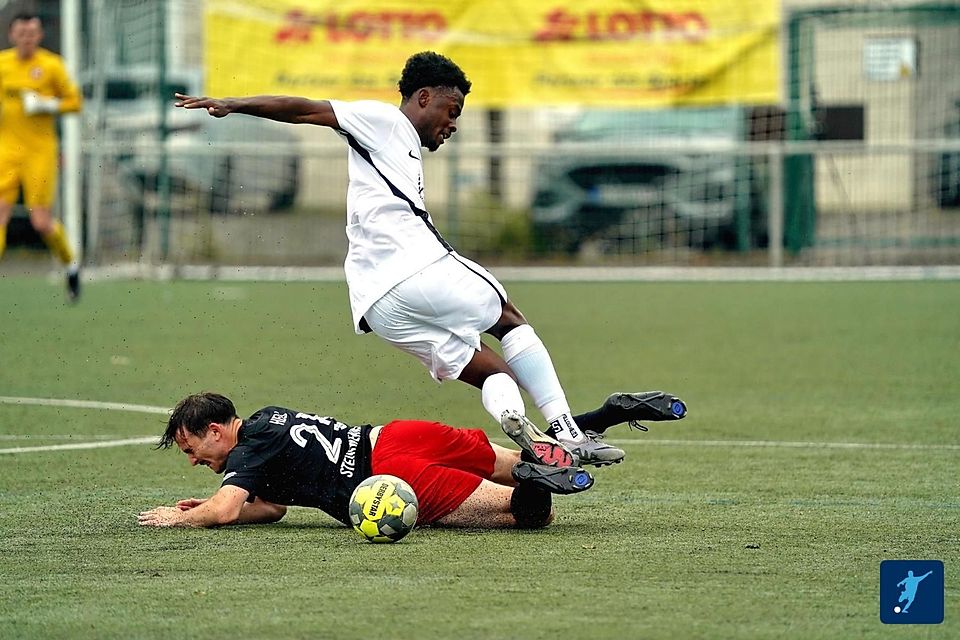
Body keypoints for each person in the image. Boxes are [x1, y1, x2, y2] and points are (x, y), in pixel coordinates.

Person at [173, 51, 686, 468]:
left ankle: (519, 426)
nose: (453, 122)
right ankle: (569, 432)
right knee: (507, 317)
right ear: (423, 97)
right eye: (451, 109)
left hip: (377, 306)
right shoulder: (383, 121)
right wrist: (234, 104)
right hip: (414, 267)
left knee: (490, 372)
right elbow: (306, 108)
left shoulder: (398, 147)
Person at [137, 390, 684, 530]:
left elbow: (229, 509)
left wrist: (182, 516)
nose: (194, 461)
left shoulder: (249, 451)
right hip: (399, 434)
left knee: (529, 514)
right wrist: (217, 500)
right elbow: (270, 508)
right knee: (528, 456)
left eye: (193, 450)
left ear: (215, 431)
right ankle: (598, 419)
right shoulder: (270, 420)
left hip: (391, 479)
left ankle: (532, 481)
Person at [0, 13, 82, 301]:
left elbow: (75, 102)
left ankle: (71, 265)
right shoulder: (2, 65)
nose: (27, 38)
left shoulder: (51, 65)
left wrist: (48, 104)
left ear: (39, 36)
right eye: (22, 33)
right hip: (7, 149)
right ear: (12, 35)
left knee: (41, 223)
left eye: (32, 33)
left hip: (40, 152)